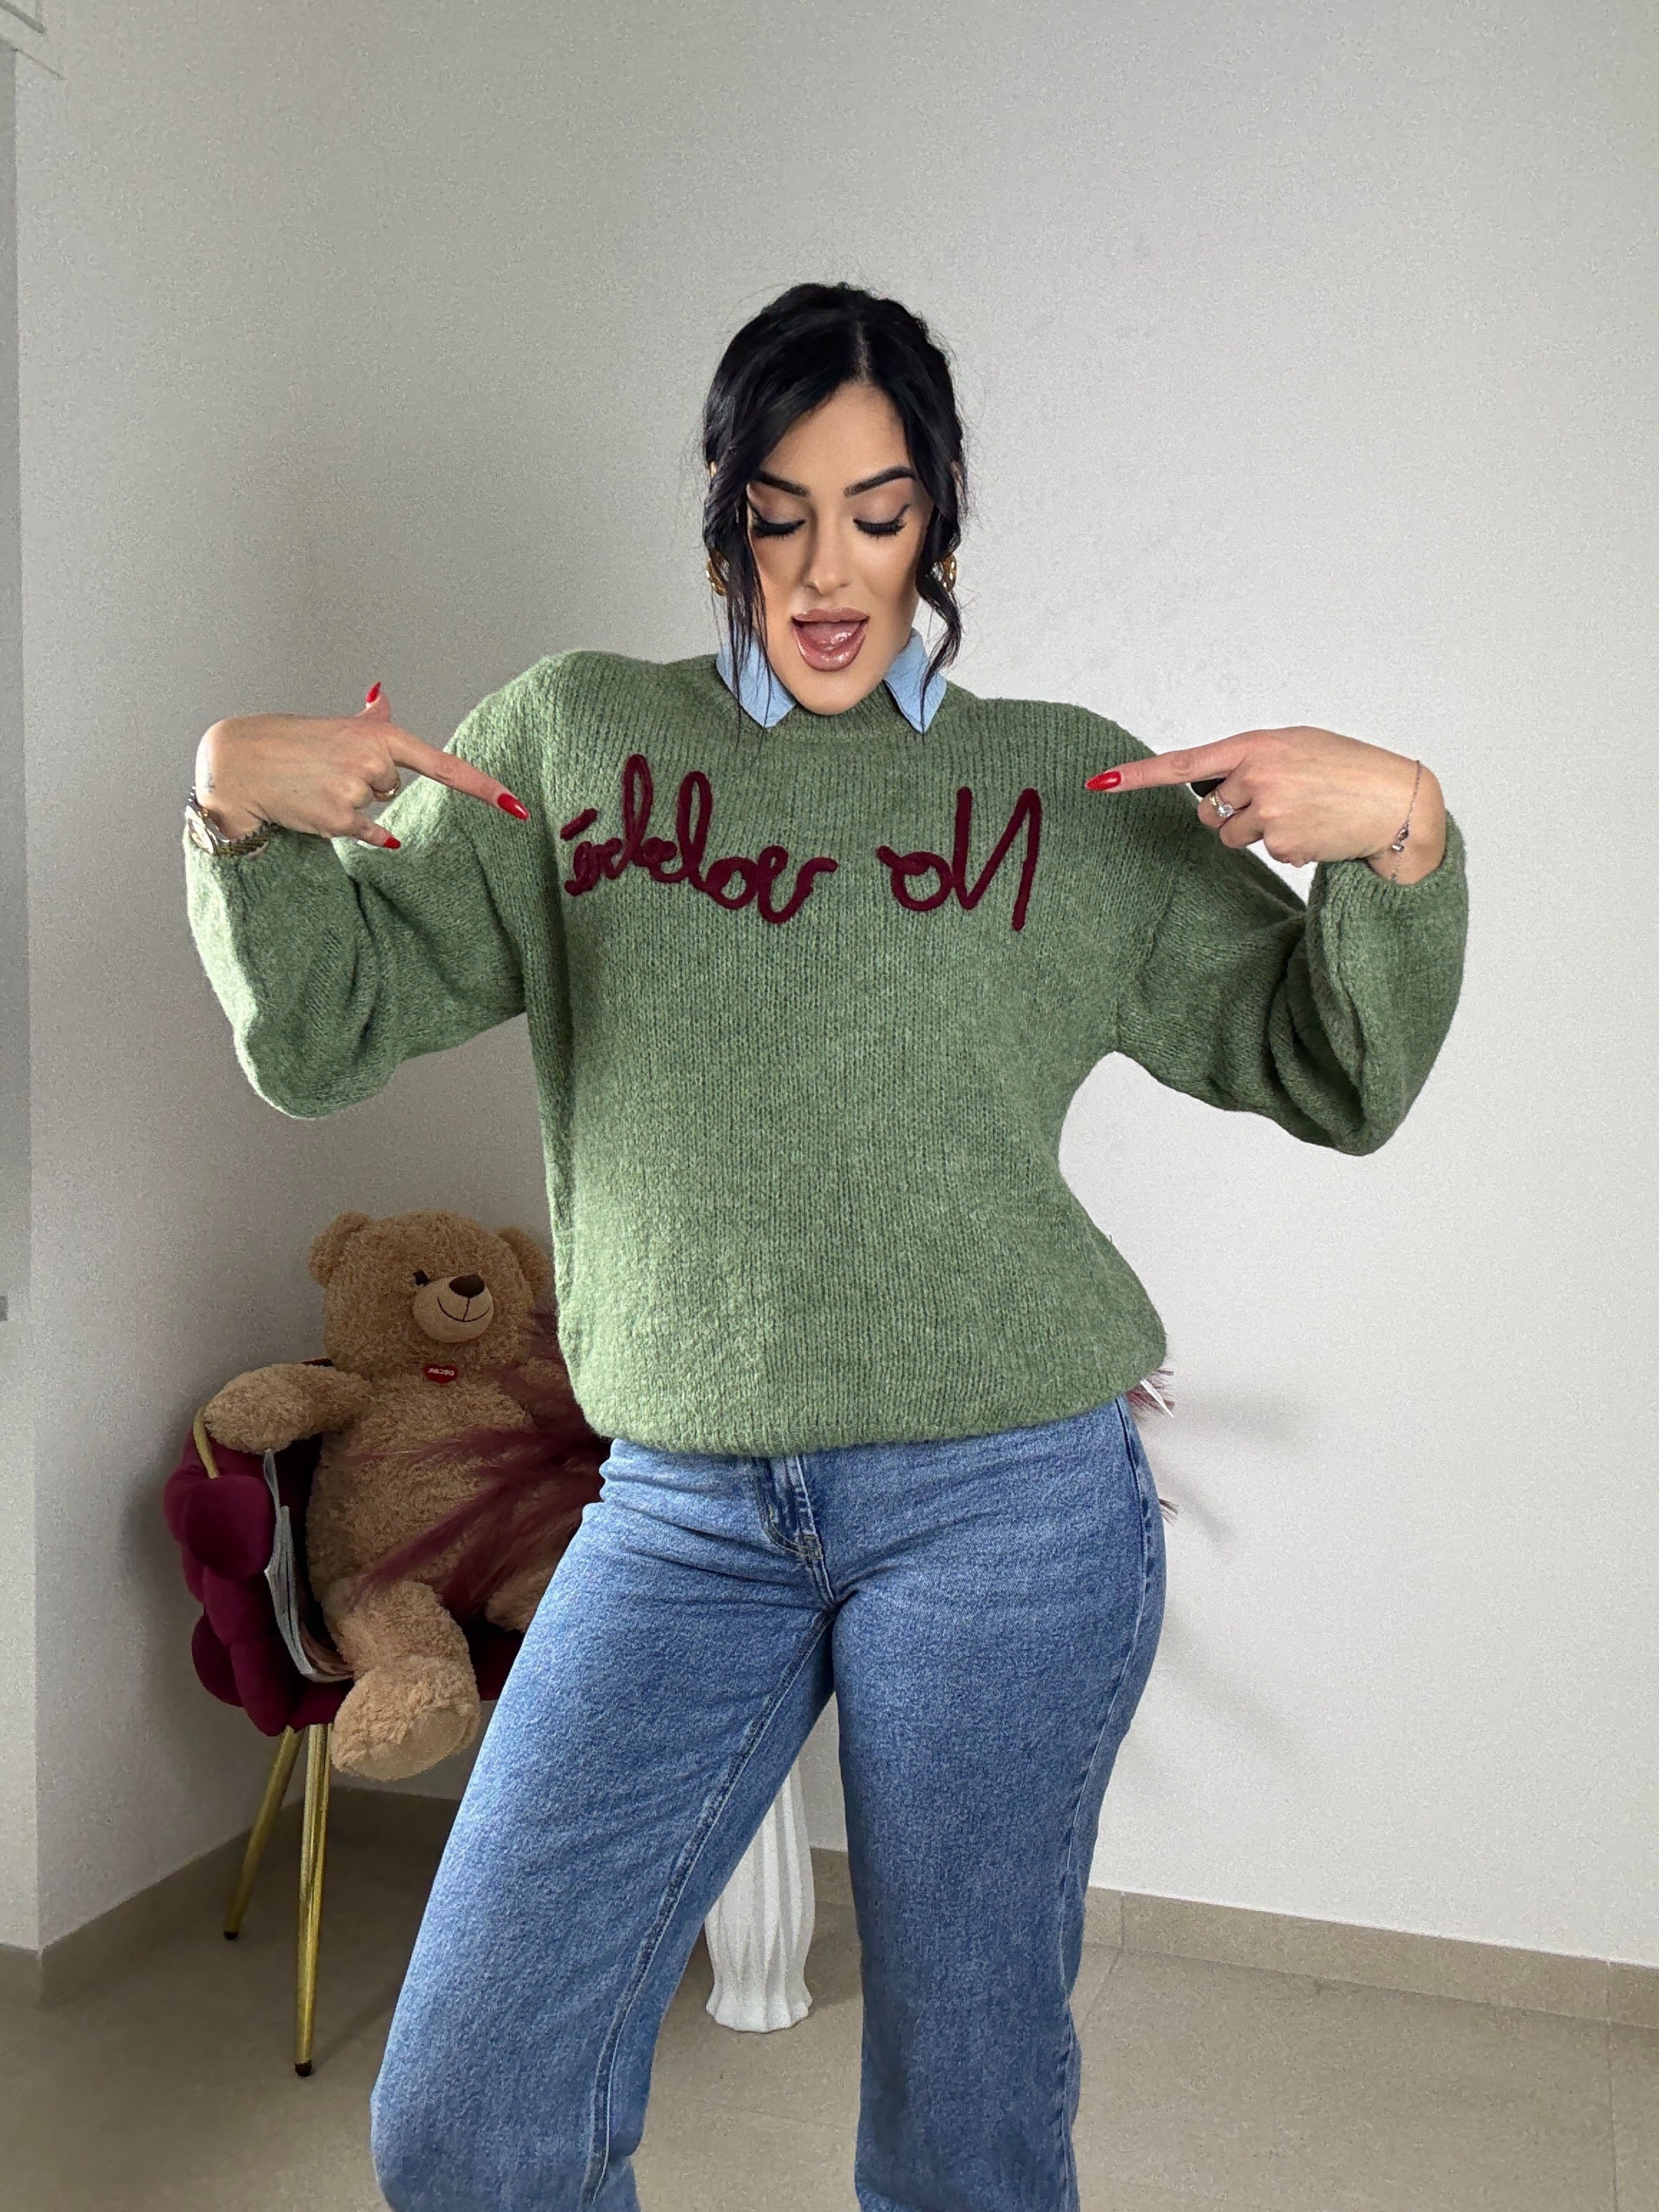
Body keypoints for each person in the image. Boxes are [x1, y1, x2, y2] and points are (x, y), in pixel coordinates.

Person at [183, 281, 1468, 2212]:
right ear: (724, 517)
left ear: (935, 518)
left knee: (964, 2133)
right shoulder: (575, 741)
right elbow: (320, 1040)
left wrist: (1402, 841)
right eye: (777, 515)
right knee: (467, 2116)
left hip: (1011, 1510)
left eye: (877, 513)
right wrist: (237, 818)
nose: (826, 570)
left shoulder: (1060, 790)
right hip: (683, 1512)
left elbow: (1333, 1070)